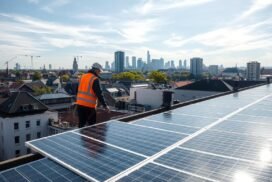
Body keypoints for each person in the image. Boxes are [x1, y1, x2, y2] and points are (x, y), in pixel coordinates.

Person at [76, 63, 110, 128]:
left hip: (80, 105)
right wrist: (105, 106)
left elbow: (77, 90)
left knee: (81, 124)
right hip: (89, 107)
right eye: (99, 71)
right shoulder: (94, 79)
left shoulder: (82, 76)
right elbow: (99, 94)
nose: (99, 73)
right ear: (96, 70)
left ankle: (81, 138)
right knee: (91, 126)